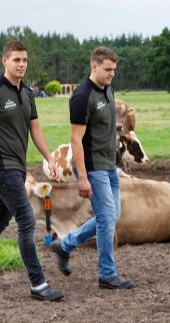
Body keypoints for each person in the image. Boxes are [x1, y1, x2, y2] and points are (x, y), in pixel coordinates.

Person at [0, 40, 64, 302]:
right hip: (0, 167)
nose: (21, 64)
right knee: (27, 220)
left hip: (18, 166)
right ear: (4, 61)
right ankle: (38, 284)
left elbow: (35, 129)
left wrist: (50, 158)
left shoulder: (27, 93)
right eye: (16, 60)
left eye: (25, 60)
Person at [49, 46, 134, 290]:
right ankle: (107, 274)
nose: (111, 74)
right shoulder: (81, 97)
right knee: (107, 217)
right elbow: (76, 139)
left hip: (109, 166)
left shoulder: (108, 89)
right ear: (93, 66)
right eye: (107, 70)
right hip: (92, 167)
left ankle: (64, 245)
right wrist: (83, 177)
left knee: (111, 216)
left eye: (114, 70)